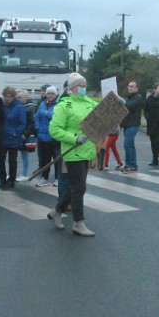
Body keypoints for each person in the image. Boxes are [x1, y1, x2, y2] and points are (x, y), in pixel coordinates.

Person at [47, 72, 98, 236]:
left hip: (87, 151)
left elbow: (103, 117)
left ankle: (56, 211)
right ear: (71, 88)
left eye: (85, 86)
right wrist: (75, 138)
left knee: (76, 186)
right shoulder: (63, 105)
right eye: (80, 86)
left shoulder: (90, 102)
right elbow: (54, 130)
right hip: (73, 151)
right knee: (79, 187)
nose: (83, 89)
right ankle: (78, 222)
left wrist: (117, 107)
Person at [0, 87, 26, 189]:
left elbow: (22, 123)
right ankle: (2, 180)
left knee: (12, 160)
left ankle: (11, 180)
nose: (6, 99)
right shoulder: (3, 106)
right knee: (0, 159)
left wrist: (16, 133)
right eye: (5, 96)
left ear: (13, 97)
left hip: (13, 138)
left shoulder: (19, 107)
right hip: (3, 136)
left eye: (8, 97)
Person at [33, 85, 61, 186]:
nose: (50, 95)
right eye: (48, 93)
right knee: (45, 159)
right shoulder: (42, 103)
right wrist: (38, 128)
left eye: (52, 93)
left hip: (54, 136)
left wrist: (46, 114)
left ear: (56, 94)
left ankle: (58, 179)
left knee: (56, 159)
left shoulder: (59, 104)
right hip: (42, 135)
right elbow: (37, 117)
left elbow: (57, 118)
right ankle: (44, 178)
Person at [120, 80, 143, 174]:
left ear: (137, 88)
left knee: (127, 144)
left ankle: (129, 165)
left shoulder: (137, 98)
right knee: (130, 145)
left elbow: (128, 106)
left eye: (132, 86)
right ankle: (132, 164)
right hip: (127, 125)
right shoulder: (130, 97)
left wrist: (120, 101)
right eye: (129, 86)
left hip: (132, 125)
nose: (129, 87)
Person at [16, 89, 36, 181]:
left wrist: (25, 134)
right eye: (17, 97)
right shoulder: (21, 106)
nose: (17, 99)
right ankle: (20, 173)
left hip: (25, 134)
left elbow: (32, 123)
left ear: (25, 98)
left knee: (25, 154)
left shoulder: (30, 108)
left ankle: (24, 174)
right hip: (19, 133)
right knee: (21, 154)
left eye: (19, 97)